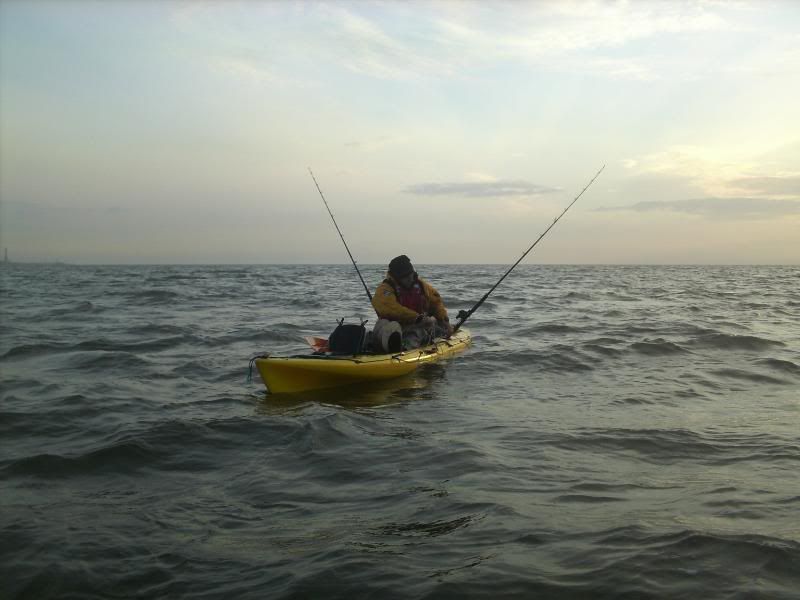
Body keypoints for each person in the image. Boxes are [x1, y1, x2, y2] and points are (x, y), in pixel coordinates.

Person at [371, 255, 453, 351]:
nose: (410, 279)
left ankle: (404, 347)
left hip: (418, 326)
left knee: (420, 330)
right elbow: (388, 307)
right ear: (396, 277)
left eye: (410, 275)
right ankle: (387, 343)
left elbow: (436, 303)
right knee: (383, 324)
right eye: (405, 277)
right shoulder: (385, 288)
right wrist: (416, 317)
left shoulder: (422, 286)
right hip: (396, 326)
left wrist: (445, 321)